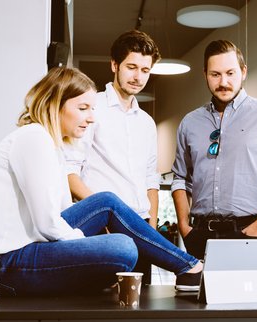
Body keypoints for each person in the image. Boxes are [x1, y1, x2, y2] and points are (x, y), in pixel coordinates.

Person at [0, 67, 202, 298]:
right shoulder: (33, 139)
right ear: (56, 104)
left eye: (93, 109)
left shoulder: (52, 146)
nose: (91, 118)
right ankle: (189, 267)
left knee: (106, 203)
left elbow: (60, 215)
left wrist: (86, 245)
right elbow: (48, 224)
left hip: (21, 251)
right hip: (2, 265)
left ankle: (188, 267)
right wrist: (88, 244)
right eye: (83, 108)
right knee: (123, 248)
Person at [172, 39, 257, 259]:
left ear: (243, 72)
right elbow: (180, 177)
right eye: (215, 74)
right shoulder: (190, 122)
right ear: (205, 74)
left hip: (252, 232)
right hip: (200, 235)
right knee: (196, 295)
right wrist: (185, 227)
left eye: (230, 73)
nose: (223, 82)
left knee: (256, 295)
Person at [64, 30, 160, 284]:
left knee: (143, 306)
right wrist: (102, 212)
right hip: (103, 225)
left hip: (141, 225)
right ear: (114, 65)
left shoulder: (148, 123)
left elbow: (151, 178)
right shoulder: (90, 107)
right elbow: (69, 170)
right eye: (131, 67)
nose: (138, 76)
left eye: (145, 70)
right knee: (100, 303)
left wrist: (151, 224)